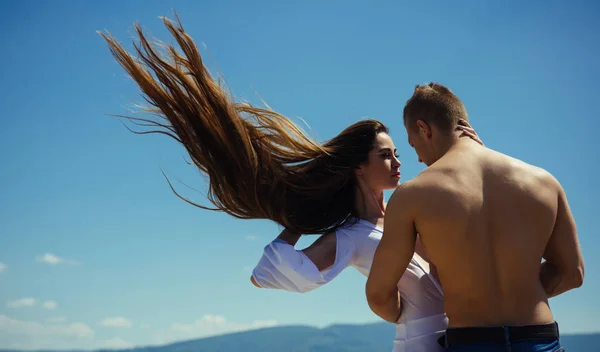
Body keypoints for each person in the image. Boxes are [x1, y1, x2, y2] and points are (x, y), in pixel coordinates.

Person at [99, 15, 482, 352]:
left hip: (462, 337)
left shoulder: (404, 214)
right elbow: (262, 276)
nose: (398, 161)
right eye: (385, 155)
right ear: (358, 168)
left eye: (397, 152)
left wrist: (473, 154)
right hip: (419, 343)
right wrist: (296, 221)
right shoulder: (350, 236)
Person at [366, 82, 585, 352]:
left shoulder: (413, 195)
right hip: (539, 340)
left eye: (413, 146)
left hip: (471, 342)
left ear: (424, 129)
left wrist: (416, 314)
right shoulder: (544, 182)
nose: (420, 159)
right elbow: (571, 273)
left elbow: (378, 295)